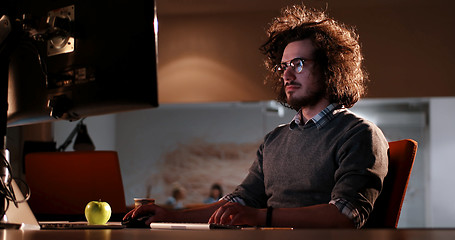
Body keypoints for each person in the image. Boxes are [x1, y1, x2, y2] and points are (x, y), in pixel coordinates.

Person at [124, 4, 388, 229]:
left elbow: (344, 216)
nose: (286, 75)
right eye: (283, 66)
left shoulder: (359, 134)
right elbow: (240, 202)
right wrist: (172, 216)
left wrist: (261, 216)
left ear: (330, 68)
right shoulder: (275, 139)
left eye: (298, 64)